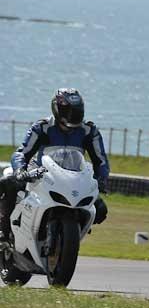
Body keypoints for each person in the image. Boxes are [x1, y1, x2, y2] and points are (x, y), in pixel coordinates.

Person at [0, 89, 110, 242]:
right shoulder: (42, 127)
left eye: (76, 111)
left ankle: (71, 237)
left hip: (73, 178)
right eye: (69, 111)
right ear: (57, 109)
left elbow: (101, 161)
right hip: (40, 174)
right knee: (8, 182)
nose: (73, 115)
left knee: (100, 210)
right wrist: (20, 171)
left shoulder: (89, 131)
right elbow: (21, 153)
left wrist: (102, 180)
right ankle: (3, 233)